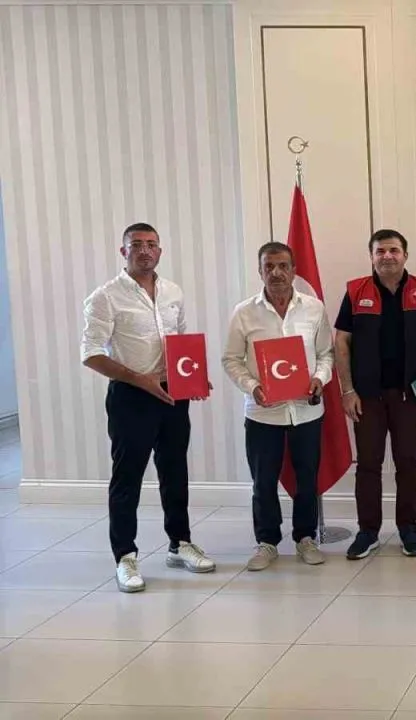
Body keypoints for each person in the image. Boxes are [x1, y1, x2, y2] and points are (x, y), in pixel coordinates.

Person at [81, 222, 216, 593]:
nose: (144, 250)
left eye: (151, 244)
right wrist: (140, 379)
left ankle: (180, 543)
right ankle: (125, 556)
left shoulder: (173, 291)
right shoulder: (105, 296)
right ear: (123, 251)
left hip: (174, 395)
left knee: (175, 470)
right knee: (128, 477)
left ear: (160, 251)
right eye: (136, 244)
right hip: (131, 397)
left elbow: (180, 340)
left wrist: (194, 376)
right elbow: (90, 353)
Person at [335, 229, 416, 559]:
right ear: (371, 256)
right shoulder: (355, 291)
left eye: (394, 250)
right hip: (367, 396)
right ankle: (368, 531)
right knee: (368, 464)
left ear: (405, 255)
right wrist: (347, 390)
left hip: (410, 395)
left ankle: (408, 528)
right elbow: (341, 341)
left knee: (408, 462)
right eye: (380, 251)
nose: (387, 256)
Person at [222, 242, 334, 570]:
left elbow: (326, 354)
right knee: (264, 481)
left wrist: (320, 378)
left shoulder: (313, 308)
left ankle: (305, 538)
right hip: (262, 412)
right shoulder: (244, 312)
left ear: (294, 270)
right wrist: (252, 387)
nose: (276, 273)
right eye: (269, 266)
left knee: (307, 478)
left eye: (283, 266)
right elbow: (231, 359)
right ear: (260, 272)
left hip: (306, 409)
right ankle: (267, 542)